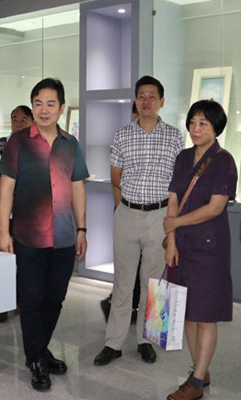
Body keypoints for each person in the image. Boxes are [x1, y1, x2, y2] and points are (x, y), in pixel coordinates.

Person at [0, 78, 89, 392]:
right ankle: (36, 359)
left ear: (61, 108)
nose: (44, 109)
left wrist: (81, 228)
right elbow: (7, 189)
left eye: (51, 104)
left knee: (55, 298)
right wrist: (4, 232)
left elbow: (77, 188)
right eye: (38, 103)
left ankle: (40, 348)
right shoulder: (18, 142)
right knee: (32, 299)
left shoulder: (71, 144)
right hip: (28, 236)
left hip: (63, 236)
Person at [94, 76, 184, 367]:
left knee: (155, 284)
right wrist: (121, 210)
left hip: (160, 216)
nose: (146, 101)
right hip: (128, 214)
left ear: (162, 101)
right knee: (122, 282)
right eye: (141, 96)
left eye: (152, 96)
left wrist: (172, 222)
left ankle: (148, 341)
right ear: (135, 101)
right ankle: (113, 343)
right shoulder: (122, 134)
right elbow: (115, 178)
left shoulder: (174, 136)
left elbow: (178, 183)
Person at [163, 100, 237, 400]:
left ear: (216, 127)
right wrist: (171, 239)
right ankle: (200, 369)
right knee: (188, 312)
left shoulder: (224, 161)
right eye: (192, 122)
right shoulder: (183, 157)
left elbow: (215, 208)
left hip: (209, 248)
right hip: (181, 244)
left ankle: (195, 382)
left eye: (203, 123)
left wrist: (176, 223)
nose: (196, 128)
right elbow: (173, 198)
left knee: (206, 314)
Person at [0, 105, 33, 323]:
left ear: (32, 121)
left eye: (23, 119)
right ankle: (0, 304)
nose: (18, 123)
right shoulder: (1, 144)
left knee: (26, 260)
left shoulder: (36, 145)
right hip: (2, 212)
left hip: (29, 213)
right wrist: (11, 199)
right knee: (2, 259)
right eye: (14, 119)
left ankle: (21, 299)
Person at [100, 102, 142, 323]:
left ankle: (133, 306)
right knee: (128, 265)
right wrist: (121, 210)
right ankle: (118, 305)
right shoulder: (124, 139)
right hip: (126, 210)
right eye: (136, 112)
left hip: (150, 215)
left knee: (143, 266)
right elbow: (116, 180)